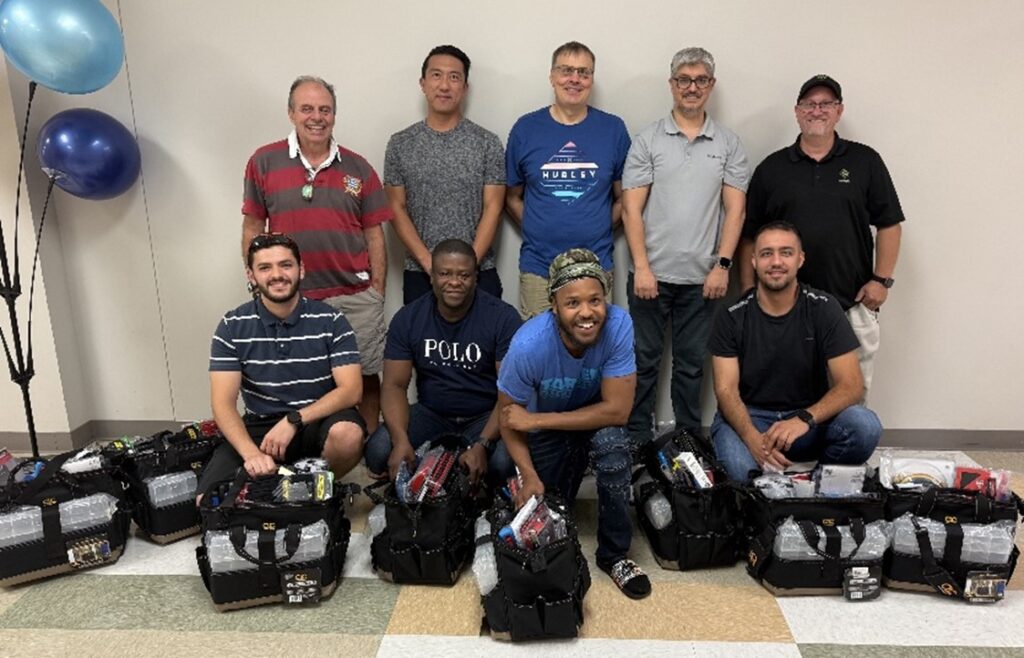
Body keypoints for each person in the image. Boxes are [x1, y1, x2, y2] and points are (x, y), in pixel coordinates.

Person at [497, 248, 651, 600]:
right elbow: (508, 419)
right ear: (554, 305)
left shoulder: (619, 324)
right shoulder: (527, 345)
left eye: (595, 300)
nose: (586, 313)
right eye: (573, 303)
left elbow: (617, 411)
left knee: (614, 449)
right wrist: (529, 473)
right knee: (548, 511)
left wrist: (536, 418)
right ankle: (560, 553)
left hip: (592, 425)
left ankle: (614, 555)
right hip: (549, 437)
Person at [241, 75, 392, 432]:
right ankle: (305, 445)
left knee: (367, 374)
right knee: (295, 377)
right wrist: (258, 284)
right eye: (307, 108)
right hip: (292, 296)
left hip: (355, 296)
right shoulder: (263, 162)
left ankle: (368, 442)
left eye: (325, 109)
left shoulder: (358, 168)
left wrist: (376, 292)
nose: (316, 117)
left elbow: (375, 234)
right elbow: (252, 227)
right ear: (291, 113)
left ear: (334, 117)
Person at [741, 74, 905, 392]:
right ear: (797, 111)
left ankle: (845, 443)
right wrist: (750, 294)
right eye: (810, 104)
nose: (817, 111)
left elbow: (889, 224)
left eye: (826, 104)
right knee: (788, 396)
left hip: (850, 304)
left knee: (850, 402)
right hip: (783, 308)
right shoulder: (772, 169)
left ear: (839, 111)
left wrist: (881, 282)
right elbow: (749, 236)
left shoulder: (865, 161)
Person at [621, 47, 750, 449]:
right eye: (684, 80)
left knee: (693, 366)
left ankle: (689, 440)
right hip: (650, 277)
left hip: (704, 280)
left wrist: (723, 266)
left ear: (710, 86)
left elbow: (736, 210)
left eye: (700, 80)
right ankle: (638, 441)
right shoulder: (647, 140)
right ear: (672, 84)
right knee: (643, 364)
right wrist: (642, 266)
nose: (691, 88)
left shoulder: (728, 143)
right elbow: (631, 208)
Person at [710, 222, 882, 483]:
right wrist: (752, 439)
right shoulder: (732, 316)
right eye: (767, 253)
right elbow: (725, 391)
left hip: (808, 421)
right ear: (754, 261)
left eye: (786, 253)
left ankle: (815, 482)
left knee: (865, 426)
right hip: (752, 418)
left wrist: (803, 419)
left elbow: (852, 385)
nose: (776, 261)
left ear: (800, 259)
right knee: (739, 473)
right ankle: (770, 483)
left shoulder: (824, 308)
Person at [200, 233, 366, 497]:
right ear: (251, 275)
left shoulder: (332, 321)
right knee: (209, 500)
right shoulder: (231, 326)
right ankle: (280, 483)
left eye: (285, 265)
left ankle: (316, 490)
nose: (277, 275)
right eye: (265, 267)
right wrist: (252, 454)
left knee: (347, 434)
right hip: (260, 425)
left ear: (301, 270)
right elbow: (222, 404)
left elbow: (351, 391)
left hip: (316, 420)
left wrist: (294, 420)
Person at [365, 239, 521, 487]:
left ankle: (452, 462)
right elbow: (394, 386)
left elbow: (510, 393)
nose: (454, 282)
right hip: (432, 413)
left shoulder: (503, 318)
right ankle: (444, 464)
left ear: (476, 277)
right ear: (432, 276)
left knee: (503, 464)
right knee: (378, 451)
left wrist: (483, 443)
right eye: (445, 274)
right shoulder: (408, 318)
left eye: (464, 275)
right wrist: (401, 439)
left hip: (485, 415)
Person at [505, 41, 631, 318]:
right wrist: (538, 227)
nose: (575, 79)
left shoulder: (613, 129)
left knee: (592, 353)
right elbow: (511, 196)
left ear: (592, 80)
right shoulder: (526, 129)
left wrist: (599, 227)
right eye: (566, 70)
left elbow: (626, 198)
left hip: (596, 265)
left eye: (584, 73)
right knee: (538, 353)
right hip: (539, 266)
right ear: (552, 77)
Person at [384, 45, 506, 304]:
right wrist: (430, 264)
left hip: (479, 271)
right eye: (436, 75)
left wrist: (465, 268)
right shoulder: (400, 143)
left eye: (454, 77)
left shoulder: (487, 142)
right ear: (423, 83)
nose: (444, 85)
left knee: (486, 344)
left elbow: (493, 207)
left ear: (465, 86)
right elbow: (396, 207)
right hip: (421, 272)